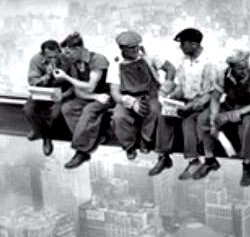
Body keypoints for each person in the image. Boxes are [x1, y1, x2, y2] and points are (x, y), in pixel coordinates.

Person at [148, 28, 217, 179]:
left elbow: (208, 94)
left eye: (183, 44)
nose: (181, 47)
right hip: (186, 100)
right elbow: (181, 87)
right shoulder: (184, 61)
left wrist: (190, 106)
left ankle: (194, 161)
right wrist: (171, 97)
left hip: (205, 103)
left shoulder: (208, 63)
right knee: (164, 115)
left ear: (193, 44)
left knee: (188, 121)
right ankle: (163, 157)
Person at [107, 31, 176, 160]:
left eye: (136, 46)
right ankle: (129, 146)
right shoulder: (116, 63)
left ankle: (145, 140)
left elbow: (171, 69)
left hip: (150, 95)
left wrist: (165, 90)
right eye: (131, 48)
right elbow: (114, 92)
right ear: (122, 48)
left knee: (155, 110)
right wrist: (131, 103)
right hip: (128, 97)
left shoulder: (149, 57)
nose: (135, 50)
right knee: (119, 117)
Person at [204, 48, 250, 186]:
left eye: (246, 67)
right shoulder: (223, 75)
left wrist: (236, 114)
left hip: (247, 108)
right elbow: (215, 98)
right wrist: (214, 117)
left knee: (247, 126)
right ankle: (209, 159)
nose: (244, 71)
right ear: (231, 67)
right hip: (230, 105)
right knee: (207, 120)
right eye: (239, 68)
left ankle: (247, 165)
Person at [53, 32, 112, 169]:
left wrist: (66, 77)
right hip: (91, 97)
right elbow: (78, 90)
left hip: (106, 97)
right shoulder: (74, 63)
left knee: (89, 110)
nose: (66, 56)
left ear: (78, 50)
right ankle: (94, 138)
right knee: (67, 108)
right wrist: (93, 97)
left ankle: (81, 151)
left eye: (69, 52)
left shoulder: (97, 59)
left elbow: (90, 86)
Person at [23, 40, 72, 156]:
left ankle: (46, 138)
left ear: (60, 52)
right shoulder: (36, 60)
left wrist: (63, 95)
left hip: (60, 92)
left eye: (56, 56)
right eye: (49, 57)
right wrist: (45, 77)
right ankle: (38, 130)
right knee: (28, 110)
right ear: (43, 54)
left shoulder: (67, 60)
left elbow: (74, 83)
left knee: (53, 115)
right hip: (42, 91)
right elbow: (32, 81)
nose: (53, 60)